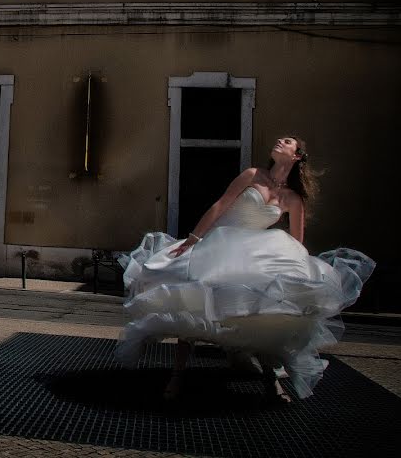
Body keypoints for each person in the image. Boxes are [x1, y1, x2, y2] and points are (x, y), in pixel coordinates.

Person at [114, 136, 375, 403]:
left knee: (264, 309)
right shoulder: (252, 175)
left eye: (287, 142)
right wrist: (194, 238)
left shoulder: (293, 199)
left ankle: (270, 379)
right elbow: (220, 205)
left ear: (297, 156)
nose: (279, 141)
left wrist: (298, 273)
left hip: (253, 254)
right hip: (218, 245)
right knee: (192, 299)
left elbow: (297, 242)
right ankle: (178, 376)